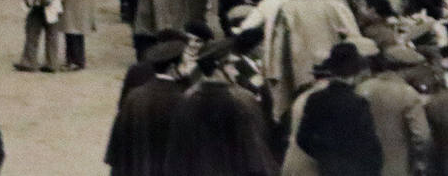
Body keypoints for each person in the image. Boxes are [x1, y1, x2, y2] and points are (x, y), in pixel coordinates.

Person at [163, 37, 276, 176]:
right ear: (218, 68)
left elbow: (175, 159)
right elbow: (257, 158)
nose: (236, 72)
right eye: (231, 65)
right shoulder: (241, 100)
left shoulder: (186, 100)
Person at [295, 41, 382, 176]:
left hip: (327, 169)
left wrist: (325, 156)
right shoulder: (358, 103)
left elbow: (302, 138)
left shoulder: (315, 99)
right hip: (354, 170)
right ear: (356, 69)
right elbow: (369, 144)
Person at [104, 37, 188, 176]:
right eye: (183, 64)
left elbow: (118, 145)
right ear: (173, 68)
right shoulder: (182, 100)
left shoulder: (134, 96)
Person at [357, 45, 430, 176]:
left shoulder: (362, 88)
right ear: (407, 69)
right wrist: (421, 160)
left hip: (364, 165)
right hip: (398, 166)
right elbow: (422, 136)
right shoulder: (407, 94)